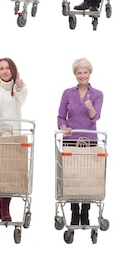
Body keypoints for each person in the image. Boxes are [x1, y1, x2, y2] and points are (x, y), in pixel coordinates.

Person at [57, 57, 103, 226]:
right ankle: (74, 212)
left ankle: (86, 212)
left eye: (85, 72)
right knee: (72, 176)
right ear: (75, 74)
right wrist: (63, 126)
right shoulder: (68, 93)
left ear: (89, 73)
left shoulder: (97, 94)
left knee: (88, 176)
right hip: (70, 140)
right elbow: (61, 116)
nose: (82, 75)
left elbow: (94, 116)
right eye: (79, 73)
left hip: (89, 140)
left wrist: (90, 106)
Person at [0, 57, 27, 222]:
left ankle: (5, 210)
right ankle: (2, 208)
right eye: (1, 68)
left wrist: (19, 87)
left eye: (7, 68)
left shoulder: (18, 88)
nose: (4, 71)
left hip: (12, 136)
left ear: (13, 70)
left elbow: (21, 97)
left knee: (9, 172)